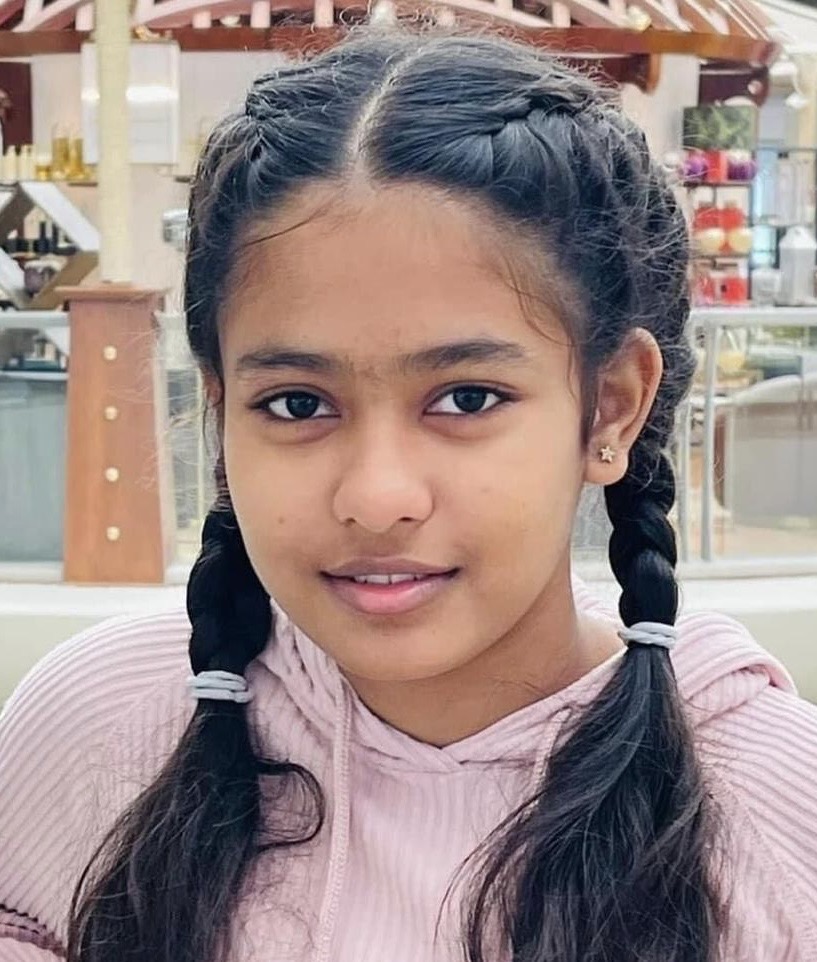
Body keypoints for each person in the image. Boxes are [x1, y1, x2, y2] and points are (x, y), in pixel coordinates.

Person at [1, 29, 816, 962]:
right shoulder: (106, 723)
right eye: (296, 403)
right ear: (221, 410)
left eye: (466, 399)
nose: (376, 498)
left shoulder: (771, 812)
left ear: (611, 407)